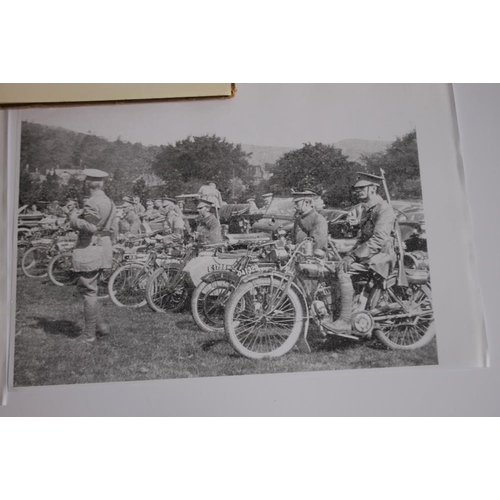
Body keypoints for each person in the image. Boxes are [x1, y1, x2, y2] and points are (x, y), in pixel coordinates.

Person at [321, 172, 397, 335]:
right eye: (356, 189)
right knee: (332, 266)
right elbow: (362, 239)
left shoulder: (384, 209)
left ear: (373, 189)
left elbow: (378, 239)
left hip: (382, 256)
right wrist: (339, 245)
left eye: (361, 188)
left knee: (344, 270)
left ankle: (345, 321)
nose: (357, 191)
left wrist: (352, 256)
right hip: (371, 254)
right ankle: (339, 313)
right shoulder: (368, 209)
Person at [69, 169, 118, 344]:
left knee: (89, 290)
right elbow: (113, 229)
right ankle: (101, 326)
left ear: (88, 184)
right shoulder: (109, 202)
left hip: (90, 248)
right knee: (90, 289)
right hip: (103, 247)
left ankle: (89, 335)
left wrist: (73, 218)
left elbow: (91, 227)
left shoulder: (91, 202)